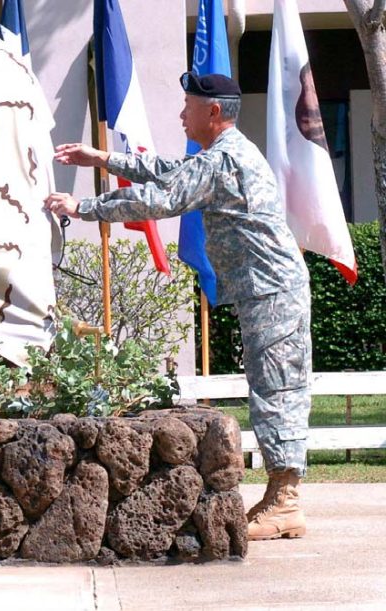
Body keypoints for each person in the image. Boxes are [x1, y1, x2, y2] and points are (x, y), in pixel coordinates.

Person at [45, 72, 311, 542]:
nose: (180, 114)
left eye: (187, 105)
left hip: (271, 290)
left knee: (277, 388)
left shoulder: (223, 159)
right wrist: (104, 156)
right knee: (272, 384)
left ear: (213, 112)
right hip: (268, 288)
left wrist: (82, 207)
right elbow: (171, 169)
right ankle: (281, 494)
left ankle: (286, 501)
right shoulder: (223, 154)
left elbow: (161, 196)